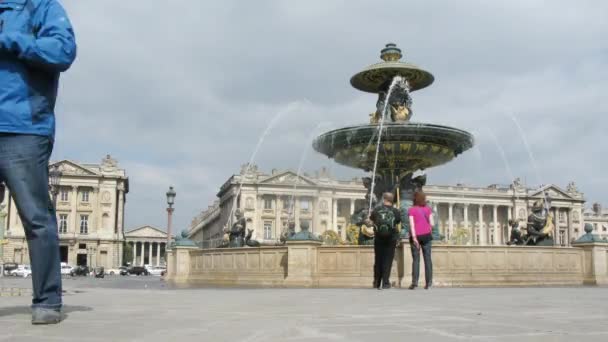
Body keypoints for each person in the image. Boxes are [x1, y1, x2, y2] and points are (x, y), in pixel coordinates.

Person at [0, 0, 77, 325]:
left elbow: (62, 52)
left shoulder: (41, 7)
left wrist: (9, 38)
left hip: (23, 127)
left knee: (35, 217)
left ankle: (47, 301)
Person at [365, 192, 401, 290]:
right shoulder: (395, 211)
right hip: (391, 238)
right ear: (392, 200)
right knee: (388, 260)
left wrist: (368, 221)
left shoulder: (377, 210)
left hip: (379, 238)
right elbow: (397, 221)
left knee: (378, 259)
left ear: (384, 199)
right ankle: (385, 283)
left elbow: (371, 222)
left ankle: (376, 282)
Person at [408, 191, 434, 290]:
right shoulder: (428, 209)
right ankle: (428, 283)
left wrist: (414, 238)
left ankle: (414, 282)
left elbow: (411, 225)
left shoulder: (411, 210)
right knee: (428, 259)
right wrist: (428, 228)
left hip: (416, 236)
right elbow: (432, 223)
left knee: (416, 260)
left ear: (414, 199)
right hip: (426, 236)